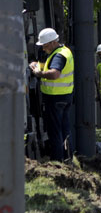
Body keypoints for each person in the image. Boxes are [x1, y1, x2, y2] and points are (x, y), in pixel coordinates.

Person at [29, 28, 73, 162]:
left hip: (55, 98)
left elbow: (54, 73)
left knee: (55, 132)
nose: (43, 48)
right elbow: (49, 66)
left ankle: (57, 162)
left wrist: (38, 73)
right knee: (64, 130)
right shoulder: (64, 51)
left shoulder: (58, 55)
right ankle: (67, 158)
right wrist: (37, 65)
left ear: (53, 42)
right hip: (65, 97)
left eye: (45, 45)